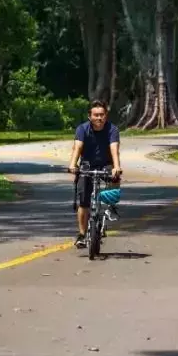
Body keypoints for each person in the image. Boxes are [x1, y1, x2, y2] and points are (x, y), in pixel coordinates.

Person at [67, 100, 123, 248]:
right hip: (87, 166)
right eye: (96, 115)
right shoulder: (82, 129)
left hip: (106, 164)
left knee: (116, 176)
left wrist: (116, 167)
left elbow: (114, 149)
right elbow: (77, 148)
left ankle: (111, 206)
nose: (99, 118)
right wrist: (73, 165)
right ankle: (82, 234)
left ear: (106, 115)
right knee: (84, 202)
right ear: (89, 116)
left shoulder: (112, 130)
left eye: (102, 115)